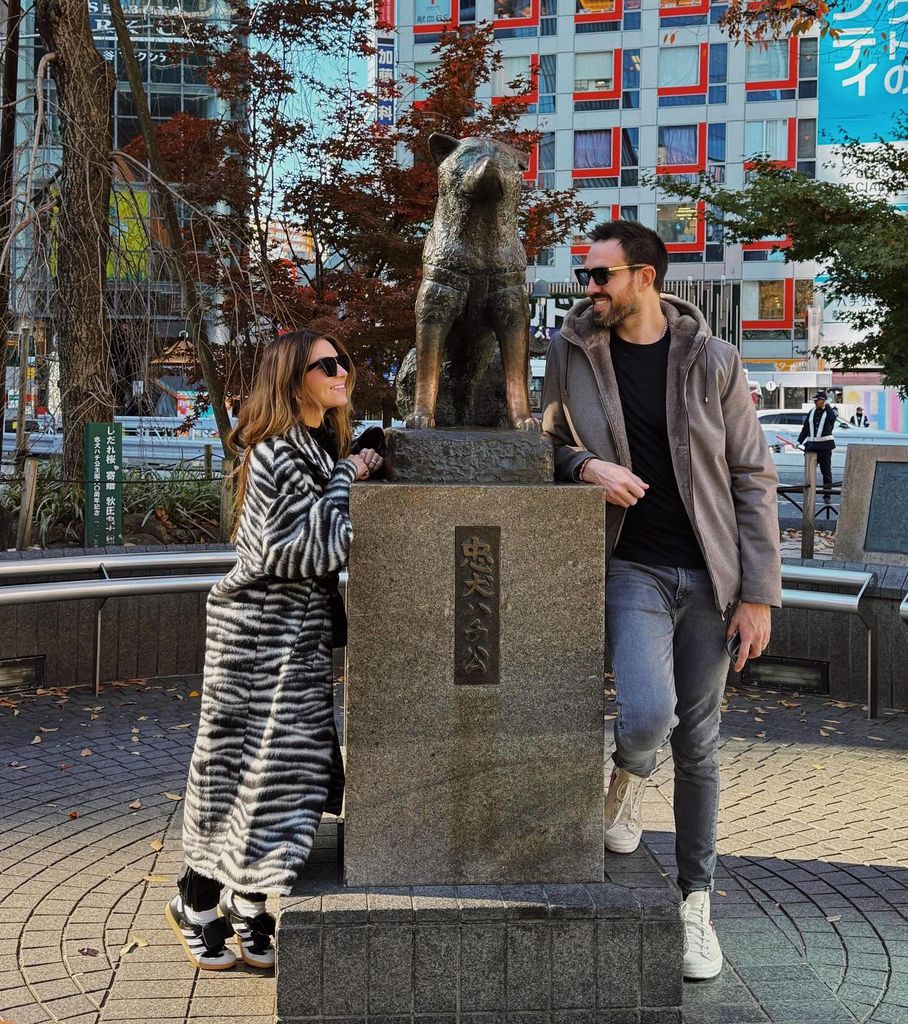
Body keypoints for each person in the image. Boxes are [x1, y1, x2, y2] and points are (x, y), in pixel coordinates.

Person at [542, 220, 781, 981]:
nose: (589, 289)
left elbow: (753, 478)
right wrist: (587, 466)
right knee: (647, 713)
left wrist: (759, 596)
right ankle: (627, 772)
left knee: (699, 743)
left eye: (601, 276)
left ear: (644, 278)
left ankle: (695, 902)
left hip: (710, 577)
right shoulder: (571, 352)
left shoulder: (713, 359)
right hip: (630, 567)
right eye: (585, 275)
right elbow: (541, 443)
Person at [166, 329, 383, 970]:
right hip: (257, 638)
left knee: (286, 774)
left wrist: (348, 464)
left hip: (298, 638)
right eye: (326, 365)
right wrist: (350, 476)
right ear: (293, 380)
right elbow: (288, 551)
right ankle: (196, 900)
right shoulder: (275, 453)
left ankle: (251, 899)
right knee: (242, 769)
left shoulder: (320, 444)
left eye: (345, 360)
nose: (342, 371)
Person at [797, 391, 837, 502]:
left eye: (817, 400)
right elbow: (805, 428)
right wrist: (799, 441)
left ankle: (827, 494)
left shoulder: (830, 411)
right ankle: (809, 492)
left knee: (826, 471)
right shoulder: (812, 411)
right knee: (809, 471)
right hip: (811, 446)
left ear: (823, 400)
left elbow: (832, 419)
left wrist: (827, 405)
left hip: (825, 446)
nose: (815, 402)